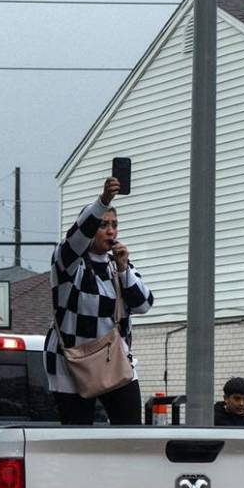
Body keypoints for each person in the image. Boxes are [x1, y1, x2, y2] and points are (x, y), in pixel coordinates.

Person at [44, 176, 154, 424]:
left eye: (114, 224)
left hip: (113, 360)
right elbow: (75, 238)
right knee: (79, 439)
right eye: (103, 224)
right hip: (71, 362)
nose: (111, 230)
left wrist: (124, 268)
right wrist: (103, 201)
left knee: (129, 434)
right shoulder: (68, 265)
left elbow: (144, 304)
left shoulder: (119, 266)